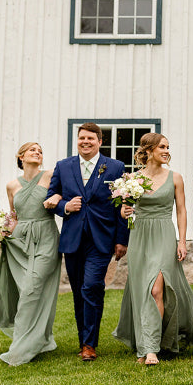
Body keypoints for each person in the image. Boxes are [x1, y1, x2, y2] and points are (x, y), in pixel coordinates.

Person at [114, 134, 193, 365]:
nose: (167, 151)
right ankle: (150, 345)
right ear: (148, 151)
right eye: (162, 147)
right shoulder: (132, 179)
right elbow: (125, 209)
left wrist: (181, 241)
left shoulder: (175, 178)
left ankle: (150, 349)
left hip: (165, 236)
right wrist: (124, 212)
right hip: (140, 237)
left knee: (157, 289)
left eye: (168, 147)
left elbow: (181, 211)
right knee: (144, 290)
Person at [46, 122, 129, 361]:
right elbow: (51, 198)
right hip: (73, 239)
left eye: (91, 139)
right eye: (82, 138)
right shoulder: (64, 166)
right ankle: (84, 340)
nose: (85, 142)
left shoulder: (115, 167)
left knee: (92, 286)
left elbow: (122, 204)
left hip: (101, 239)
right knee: (78, 291)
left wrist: (122, 239)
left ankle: (89, 344)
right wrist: (65, 206)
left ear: (99, 142)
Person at [0, 142, 63, 366]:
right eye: (33, 150)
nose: (38, 152)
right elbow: (14, 216)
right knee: (25, 291)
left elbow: (62, 195)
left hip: (46, 237)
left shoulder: (50, 175)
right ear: (21, 156)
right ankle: (41, 340)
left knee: (32, 288)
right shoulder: (11, 185)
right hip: (19, 241)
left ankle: (20, 349)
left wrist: (57, 198)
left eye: (40, 150)